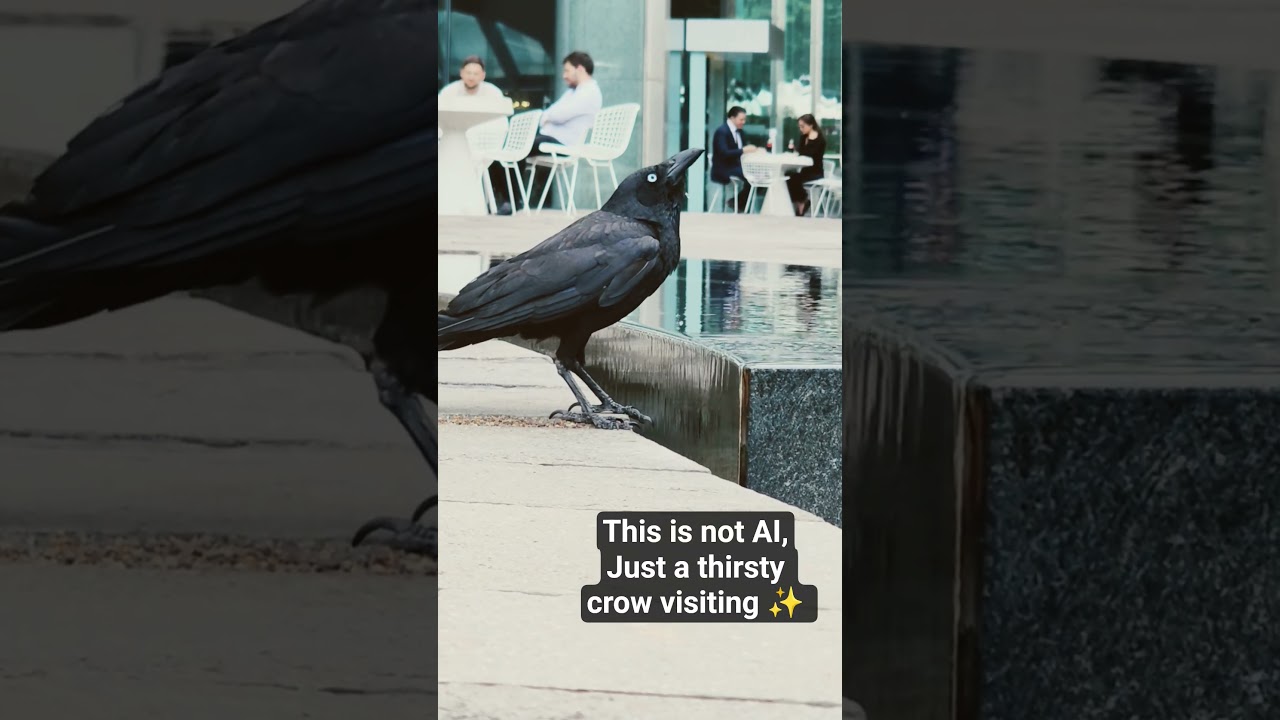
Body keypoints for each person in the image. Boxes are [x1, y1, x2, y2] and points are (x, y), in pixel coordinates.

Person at [517, 51, 603, 212]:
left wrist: (550, 116)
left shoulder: (589, 92)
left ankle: (513, 202)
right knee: (515, 146)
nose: (564, 76)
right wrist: (550, 116)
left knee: (520, 146)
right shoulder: (573, 92)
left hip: (564, 144)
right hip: (552, 139)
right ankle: (511, 200)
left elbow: (557, 115)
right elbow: (548, 114)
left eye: (567, 70)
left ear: (579, 69)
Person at [710, 106, 758, 213]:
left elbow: (743, 150)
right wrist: (744, 150)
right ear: (732, 118)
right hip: (723, 168)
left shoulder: (740, 132)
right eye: (741, 119)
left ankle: (736, 202)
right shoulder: (722, 132)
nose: (743, 122)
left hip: (735, 166)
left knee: (758, 175)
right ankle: (737, 203)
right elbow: (724, 153)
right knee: (752, 176)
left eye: (744, 119)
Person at [785, 114, 827, 216]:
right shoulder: (804, 137)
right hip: (805, 170)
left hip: (815, 171)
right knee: (787, 175)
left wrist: (799, 151)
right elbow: (801, 152)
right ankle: (802, 201)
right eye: (799, 126)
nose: (800, 129)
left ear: (811, 125)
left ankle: (802, 201)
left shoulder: (819, 139)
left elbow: (809, 155)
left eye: (802, 126)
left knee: (793, 177)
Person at [438, 55, 504, 98]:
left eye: (476, 74)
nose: (471, 78)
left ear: (483, 76)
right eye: (468, 73)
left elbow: (501, 118)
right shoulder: (448, 92)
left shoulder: (493, 93)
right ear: (461, 73)